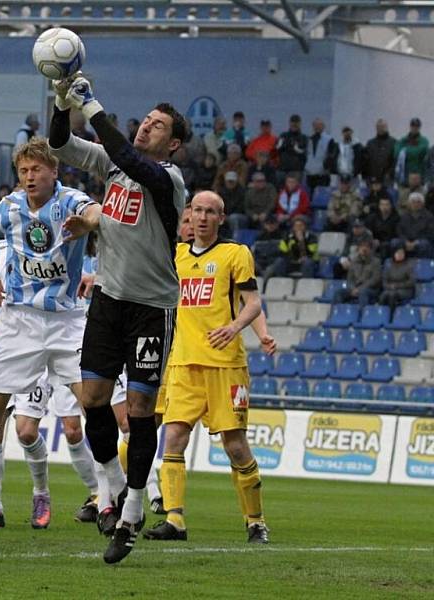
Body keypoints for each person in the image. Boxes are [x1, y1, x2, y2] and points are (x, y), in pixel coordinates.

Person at [50, 75, 187, 564]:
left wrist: (90, 103)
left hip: (152, 307)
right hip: (108, 299)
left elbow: (131, 160)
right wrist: (61, 100)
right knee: (93, 399)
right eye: (145, 120)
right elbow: (60, 144)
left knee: (143, 410)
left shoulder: (167, 179)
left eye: (157, 125)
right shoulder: (112, 162)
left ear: (172, 143)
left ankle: (133, 505)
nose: (146, 127)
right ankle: (110, 487)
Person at [0, 138, 96, 552]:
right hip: (18, 320)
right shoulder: (10, 207)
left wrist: (89, 224)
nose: (30, 177)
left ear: (54, 170)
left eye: (36, 169)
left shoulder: (71, 201)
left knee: (94, 404)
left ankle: (110, 499)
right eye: (23, 171)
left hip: (67, 321)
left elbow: (98, 214)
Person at [144, 191, 273, 545]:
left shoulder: (235, 254)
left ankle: (255, 520)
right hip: (184, 363)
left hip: (225, 365)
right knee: (173, 437)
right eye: (197, 210)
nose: (202, 217)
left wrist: (234, 327)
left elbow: (253, 303)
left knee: (234, 446)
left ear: (221, 217)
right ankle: (174, 519)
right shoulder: (176, 255)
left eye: (210, 212)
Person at [0, 239, 101, 529]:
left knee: (27, 432)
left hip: (37, 346)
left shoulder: (53, 240)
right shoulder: (1, 247)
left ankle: (41, 494)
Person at [333, 239, 381, 307]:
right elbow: (349, 279)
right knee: (338, 293)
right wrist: (353, 289)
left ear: (370, 249)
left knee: (363, 293)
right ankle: (338, 314)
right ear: (358, 248)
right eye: (362, 246)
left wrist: (360, 289)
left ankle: (362, 315)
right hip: (354, 288)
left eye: (367, 247)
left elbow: (374, 280)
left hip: (370, 290)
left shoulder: (376, 262)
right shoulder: (354, 261)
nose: (364, 249)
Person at [379, 244, 415, 314]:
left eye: (402, 253)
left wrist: (397, 286)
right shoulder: (389, 266)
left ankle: (392, 315)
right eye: (398, 253)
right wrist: (389, 287)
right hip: (390, 289)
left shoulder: (408, 266)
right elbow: (384, 281)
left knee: (392, 295)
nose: (400, 255)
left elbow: (412, 281)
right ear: (394, 254)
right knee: (383, 295)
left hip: (405, 290)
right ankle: (382, 315)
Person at [304, 118, 338, 193]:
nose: (317, 127)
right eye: (315, 125)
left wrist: (324, 167)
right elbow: (306, 155)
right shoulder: (309, 139)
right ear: (313, 127)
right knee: (309, 200)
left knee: (321, 199)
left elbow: (332, 156)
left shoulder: (329, 139)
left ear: (323, 126)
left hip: (322, 176)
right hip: (310, 175)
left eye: (319, 125)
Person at [395, 118, 429, 186]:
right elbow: (396, 153)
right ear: (410, 127)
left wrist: (406, 150)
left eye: (417, 126)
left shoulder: (424, 141)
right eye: (413, 126)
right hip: (404, 180)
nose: (415, 128)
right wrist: (415, 149)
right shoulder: (403, 140)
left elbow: (421, 151)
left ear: (419, 127)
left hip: (419, 179)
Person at [276, 114, 308, 182]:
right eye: (292, 122)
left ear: (300, 123)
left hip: (296, 171)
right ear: (289, 123)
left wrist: (295, 148)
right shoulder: (283, 135)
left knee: (293, 190)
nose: (294, 124)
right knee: (280, 190)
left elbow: (305, 153)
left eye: (296, 122)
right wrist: (284, 145)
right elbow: (277, 148)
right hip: (282, 169)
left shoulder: (304, 138)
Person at [364, 119, 396, 186]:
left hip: (387, 180)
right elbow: (365, 161)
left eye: (383, 126)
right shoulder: (370, 143)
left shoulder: (394, 142)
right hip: (373, 179)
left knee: (386, 196)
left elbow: (396, 161)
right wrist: (366, 177)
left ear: (387, 127)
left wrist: (390, 173)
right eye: (378, 127)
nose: (380, 129)